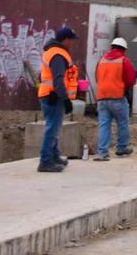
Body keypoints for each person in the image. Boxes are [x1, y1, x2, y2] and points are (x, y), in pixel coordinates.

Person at [37, 26, 80, 172]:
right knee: (52, 129)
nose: (73, 43)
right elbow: (58, 80)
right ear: (65, 40)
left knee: (54, 127)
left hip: (49, 95)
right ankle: (46, 161)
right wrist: (65, 98)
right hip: (54, 97)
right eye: (72, 40)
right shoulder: (58, 55)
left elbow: (43, 76)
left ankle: (54, 156)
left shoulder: (51, 52)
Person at [93, 37, 137, 161]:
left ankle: (102, 152)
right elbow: (130, 80)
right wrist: (124, 88)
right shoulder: (124, 60)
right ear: (123, 49)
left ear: (112, 47)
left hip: (102, 97)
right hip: (117, 96)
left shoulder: (101, 60)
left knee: (104, 124)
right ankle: (122, 148)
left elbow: (97, 77)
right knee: (123, 123)